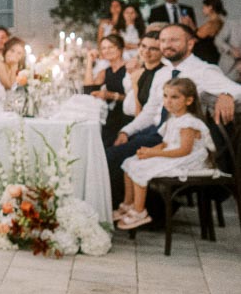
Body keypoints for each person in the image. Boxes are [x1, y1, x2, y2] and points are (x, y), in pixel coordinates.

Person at [109, 24, 241, 204]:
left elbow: (237, 90)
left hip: (176, 140)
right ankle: (135, 209)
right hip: (157, 132)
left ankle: (149, 213)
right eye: (163, 40)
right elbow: (150, 110)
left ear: (190, 44)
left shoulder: (203, 70)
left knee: (115, 158)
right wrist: (126, 131)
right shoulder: (163, 72)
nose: (167, 45)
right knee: (113, 150)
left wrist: (227, 94)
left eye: (174, 40)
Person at [117, 78, 215, 230]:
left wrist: (153, 153)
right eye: (165, 96)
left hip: (188, 159)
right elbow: (165, 143)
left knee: (141, 169)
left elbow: (184, 150)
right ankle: (128, 203)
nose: (168, 101)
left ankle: (139, 212)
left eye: (174, 97)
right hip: (174, 153)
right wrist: (148, 152)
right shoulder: (173, 119)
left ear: (189, 100)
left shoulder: (188, 122)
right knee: (130, 162)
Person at [85, 34, 131, 146]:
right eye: (104, 48)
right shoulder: (105, 72)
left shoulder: (130, 68)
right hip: (109, 117)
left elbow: (135, 99)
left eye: (111, 47)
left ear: (120, 49)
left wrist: (112, 96)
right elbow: (88, 90)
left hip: (125, 116)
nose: (107, 51)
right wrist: (90, 62)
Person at [196, 0, 235, 72]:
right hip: (211, 54)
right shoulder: (220, 21)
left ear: (210, 7)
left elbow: (199, 36)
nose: (202, 10)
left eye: (204, 7)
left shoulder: (213, 23)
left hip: (207, 55)